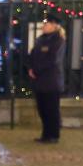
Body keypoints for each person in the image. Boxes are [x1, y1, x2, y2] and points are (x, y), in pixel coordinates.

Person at [28, 14, 66, 144]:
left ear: (54, 25)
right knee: (42, 108)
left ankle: (53, 135)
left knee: (51, 109)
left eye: (47, 23)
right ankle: (45, 134)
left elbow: (53, 60)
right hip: (40, 80)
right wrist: (31, 68)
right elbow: (32, 55)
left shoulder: (58, 41)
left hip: (51, 81)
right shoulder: (40, 40)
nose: (44, 25)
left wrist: (37, 70)